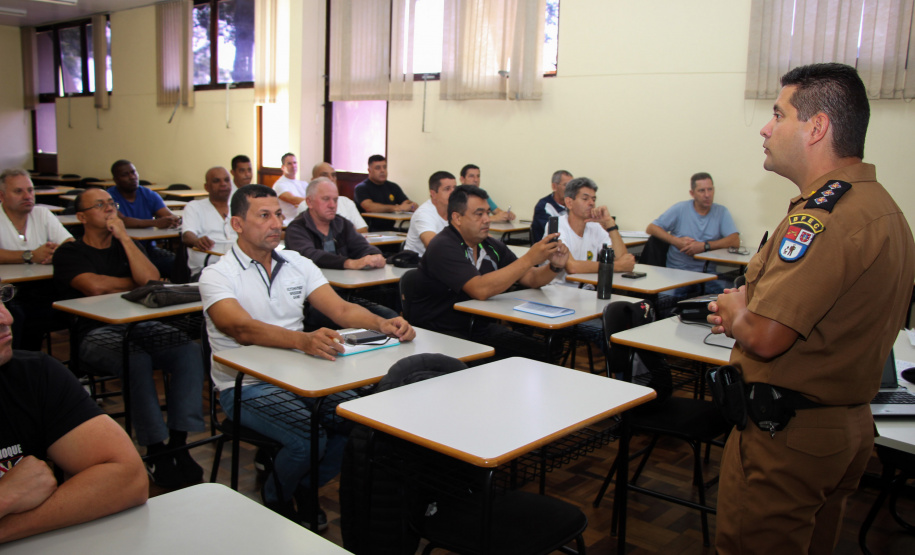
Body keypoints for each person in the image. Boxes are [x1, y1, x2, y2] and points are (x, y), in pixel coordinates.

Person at [707, 63, 915, 554]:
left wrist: (737, 311)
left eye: (778, 114)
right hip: (844, 427)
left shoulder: (825, 219)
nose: (764, 127)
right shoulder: (884, 209)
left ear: (816, 127)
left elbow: (766, 335)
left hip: (788, 437)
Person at [200, 184, 415, 528]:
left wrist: (384, 323)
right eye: (264, 216)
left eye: (278, 215)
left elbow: (341, 310)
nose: (275, 224)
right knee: (307, 441)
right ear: (237, 224)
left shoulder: (296, 262)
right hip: (246, 385)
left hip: (302, 376)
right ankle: (276, 497)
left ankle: (302, 486)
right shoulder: (217, 274)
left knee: (357, 424)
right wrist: (302, 341)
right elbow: (241, 328)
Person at [53, 188, 206, 489]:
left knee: (187, 350)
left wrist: (124, 238)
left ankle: (179, 439)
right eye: (100, 205)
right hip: (93, 333)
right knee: (135, 359)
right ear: (82, 216)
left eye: (112, 204)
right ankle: (155, 448)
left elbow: (149, 280)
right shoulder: (69, 252)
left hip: (139, 326)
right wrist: (134, 285)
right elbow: (94, 287)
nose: (110, 209)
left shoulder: (127, 245)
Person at [0, 283, 148, 544]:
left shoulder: (35, 375)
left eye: (1, 298)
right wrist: (5, 497)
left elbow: (129, 479)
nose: (7, 318)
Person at [412, 185, 568, 349]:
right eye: (479, 214)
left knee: (541, 351)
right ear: (457, 218)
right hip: (440, 333)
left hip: (479, 327)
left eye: (487, 213)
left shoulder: (490, 245)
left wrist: (554, 267)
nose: (487, 219)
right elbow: (479, 289)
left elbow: (531, 278)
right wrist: (529, 258)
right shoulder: (443, 246)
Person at [285, 177, 398, 324]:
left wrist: (373, 256)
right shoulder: (297, 228)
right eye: (326, 199)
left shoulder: (341, 223)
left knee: (390, 315)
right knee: (376, 320)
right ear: (309, 202)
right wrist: (349, 263)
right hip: (311, 300)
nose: (332, 205)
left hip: (344, 295)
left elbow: (363, 246)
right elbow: (310, 255)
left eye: (335, 200)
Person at [0, 169, 74, 350]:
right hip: (7, 292)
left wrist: (54, 254)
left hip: (44, 287)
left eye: (30, 190)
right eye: (19, 191)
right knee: (18, 314)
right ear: (1, 195)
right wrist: (30, 255)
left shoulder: (42, 214)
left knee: (73, 304)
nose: (27, 196)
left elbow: (70, 244)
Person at [646, 172, 739, 293]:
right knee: (668, 300)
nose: (707, 195)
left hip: (707, 274)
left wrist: (704, 246)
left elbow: (734, 240)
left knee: (731, 296)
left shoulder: (721, 212)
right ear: (692, 193)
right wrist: (676, 241)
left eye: (710, 189)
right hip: (678, 272)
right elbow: (651, 228)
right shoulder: (680, 209)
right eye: (701, 191)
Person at [551, 177, 635, 287]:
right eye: (585, 199)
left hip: (587, 291)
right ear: (569, 202)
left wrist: (610, 224)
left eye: (594, 199)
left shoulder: (594, 226)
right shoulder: (557, 226)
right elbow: (572, 267)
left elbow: (623, 259)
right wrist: (617, 266)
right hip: (559, 292)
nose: (591, 203)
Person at [107, 160, 181, 278]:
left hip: (148, 248)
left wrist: (173, 220)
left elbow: (167, 214)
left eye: (133, 172)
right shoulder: (109, 196)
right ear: (116, 179)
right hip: (119, 250)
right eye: (125, 175)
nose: (132, 177)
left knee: (178, 266)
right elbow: (122, 221)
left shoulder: (147, 194)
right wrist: (155, 222)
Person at [181, 167, 237, 279]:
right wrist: (197, 241)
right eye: (216, 181)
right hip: (208, 270)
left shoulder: (238, 208)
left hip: (237, 267)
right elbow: (187, 236)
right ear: (206, 187)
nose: (223, 184)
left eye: (227, 180)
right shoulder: (195, 207)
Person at [353, 155, 417, 231]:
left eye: (384, 167)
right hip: (370, 230)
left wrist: (412, 207)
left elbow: (408, 203)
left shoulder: (393, 186)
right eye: (378, 168)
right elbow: (369, 207)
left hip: (390, 229)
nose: (382, 171)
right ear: (369, 170)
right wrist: (398, 208)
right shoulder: (361, 188)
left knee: (414, 234)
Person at [403, 170, 456, 255]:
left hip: (442, 260)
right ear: (433, 193)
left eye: (455, 188)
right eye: (447, 189)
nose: (453, 193)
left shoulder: (455, 211)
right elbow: (434, 246)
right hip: (416, 263)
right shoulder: (423, 213)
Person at [304, 162, 367, 232]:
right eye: (325, 175)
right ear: (313, 180)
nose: (331, 179)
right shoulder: (308, 204)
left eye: (333, 175)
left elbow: (363, 230)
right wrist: (349, 232)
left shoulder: (346, 202)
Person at [531, 170, 573, 242]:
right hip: (548, 249)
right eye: (566, 185)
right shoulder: (543, 207)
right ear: (554, 186)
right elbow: (554, 233)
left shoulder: (573, 205)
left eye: (572, 186)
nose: (570, 189)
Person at [273, 153, 309, 225]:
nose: (293, 166)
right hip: (289, 223)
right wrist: (313, 201)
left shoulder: (304, 184)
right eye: (289, 163)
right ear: (283, 167)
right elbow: (293, 200)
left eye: (295, 163)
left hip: (305, 220)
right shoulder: (279, 185)